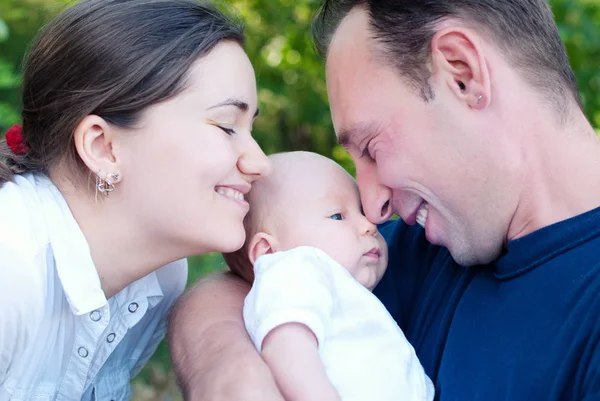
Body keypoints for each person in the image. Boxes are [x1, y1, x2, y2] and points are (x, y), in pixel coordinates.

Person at [169, 0, 600, 400]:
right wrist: (232, 375)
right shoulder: (430, 242)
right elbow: (239, 282)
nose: (373, 207)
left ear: (462, 73)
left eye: (371, 147)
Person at [0, 0, 270, 399]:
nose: (260, 162)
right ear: (103, 147)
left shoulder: (158, 280)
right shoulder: (12, 268)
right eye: (227, 126)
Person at [224, 151, 434, 401]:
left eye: (361, 211)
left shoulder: (337, 290)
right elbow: (288, 352)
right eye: (337, 216)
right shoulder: (293, 269)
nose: (369, 226)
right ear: (269, 252)